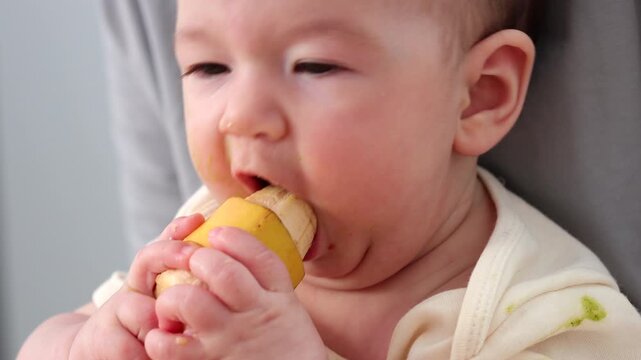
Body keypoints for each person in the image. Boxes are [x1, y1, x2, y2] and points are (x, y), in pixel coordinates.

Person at [18, 0, 641, 359]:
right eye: (209, 66)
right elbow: (46, 342)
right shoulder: (204, 230)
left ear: (477, 96)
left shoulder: (546, 317)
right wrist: (89, 346)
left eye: (314, 66)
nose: (241, 117)